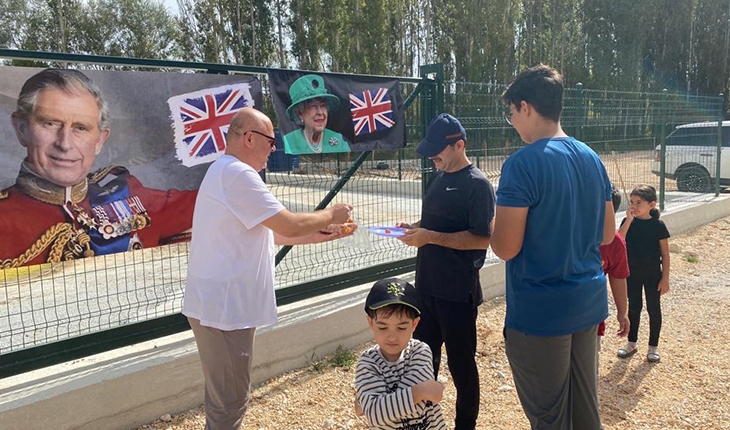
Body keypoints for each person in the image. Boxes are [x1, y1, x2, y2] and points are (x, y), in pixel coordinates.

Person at [182, 107, 355, 430]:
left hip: (221, 307)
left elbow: (270, 232)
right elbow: (287, 223)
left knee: (225, 397)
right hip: (225, 310)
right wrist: (332, 215)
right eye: (270, 141)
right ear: (249, 138)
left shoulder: (226, 171)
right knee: (230, 403)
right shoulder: (237, 174)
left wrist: (319, 234)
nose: (274, 149)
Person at [491, 64, 615, 430]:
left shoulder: (522, 164)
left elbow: (506, 248)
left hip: (541, 313)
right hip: (588, 303)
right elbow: (607, 234)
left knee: (550, 416)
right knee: (585, 410)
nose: (513, 122)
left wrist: (492, 225)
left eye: (512, 113)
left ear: (525, 107)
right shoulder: (591, 157)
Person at [0, 68, 197, 270]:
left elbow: (206, 203)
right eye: (50, 123)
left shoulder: (129, 196)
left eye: (81, 128)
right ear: (21, 128)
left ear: (100, 140)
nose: (65, 144)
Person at [396, 113, 495, 430]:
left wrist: (430, 237)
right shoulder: (437, 179)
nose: (432, 157)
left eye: (437, 150)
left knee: (461, 366)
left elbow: (482, 238)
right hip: (426, 288)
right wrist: (414, 228)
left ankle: (465, 425)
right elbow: (435, 224)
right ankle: (423, 420)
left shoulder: (477, 185)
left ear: (459, 145)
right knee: (423, 362)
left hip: (457, 293)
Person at [354, 277, 447, 430]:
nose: (392, 337)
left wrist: (368, 403)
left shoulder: (420, 351)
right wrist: (422, 390)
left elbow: (417, 409)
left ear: (414, 324)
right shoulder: (368, 363)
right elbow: (375, 415)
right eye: (383, 327)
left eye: (401, 328)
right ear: (371, 323)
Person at [616, 184, 670, 363]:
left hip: (653, 274)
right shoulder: (627, 222)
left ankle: (653, 346)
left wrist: (665, 278)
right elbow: (619, 240)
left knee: (653, 308)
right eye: (632, 202)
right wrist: (628, 220)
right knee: (634, 307)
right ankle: (631, 343)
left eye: (639, 202)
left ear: (651, 204)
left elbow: (665, 254)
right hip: (631, 273)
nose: (634, 206)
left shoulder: (658, 226)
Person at [596, 185, 630, 426]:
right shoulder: (570, 230)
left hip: (592, 318)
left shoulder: (615, 243)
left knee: (588, 372)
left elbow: (618, 277)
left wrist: (622, 312)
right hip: (558, 316)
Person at [283, 74, 350, 155]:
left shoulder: (339, 140)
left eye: (323, 106)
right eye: (313, 106)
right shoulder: (288, 141)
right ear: (300, 113)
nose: (320, 112)